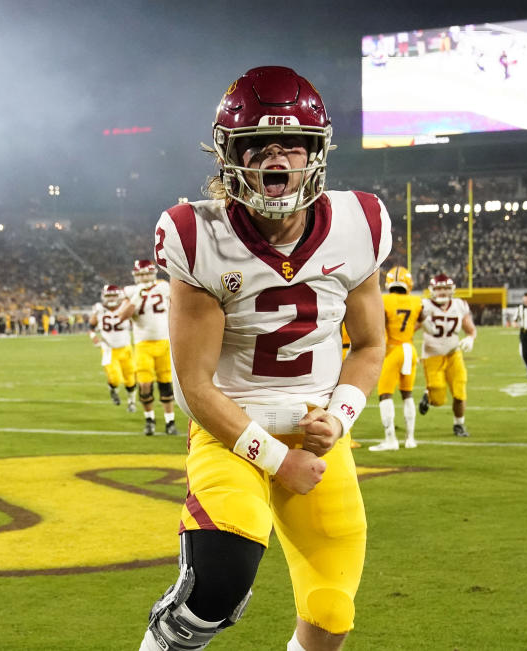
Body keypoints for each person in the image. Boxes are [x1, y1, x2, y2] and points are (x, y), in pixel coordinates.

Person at [136, 66, 390, 651]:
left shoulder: (360, 224)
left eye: (292, 145)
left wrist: (340, 418)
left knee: (331, 611)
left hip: (318, 437)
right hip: (232, 432)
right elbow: (196, 386)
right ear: (231, 155)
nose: (275, 160)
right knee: (219, 581)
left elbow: (370, 344)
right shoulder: (197, 234)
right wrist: (278, 460)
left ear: (315, 152)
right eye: (256, 145)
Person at [117, 259, 177, 435]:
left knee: (166, 384)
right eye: (140, 274)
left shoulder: (164, 286)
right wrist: (138, 296)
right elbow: (122, 316)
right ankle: (149, 419)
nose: (144, 277)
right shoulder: (130, 291)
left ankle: (170, 421)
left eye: (146, 273)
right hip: (143, 344)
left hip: (164, 341)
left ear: (153, 273)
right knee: (144, 384)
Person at [369, 265, 421, 451]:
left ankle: (390, 440)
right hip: (410, 349)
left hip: (393, 350)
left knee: (385, 395)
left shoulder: (384, 300)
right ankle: (410, 439)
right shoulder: (417, 301)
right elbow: (421, 320)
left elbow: (379, 328)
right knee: (407, 394)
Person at [417, 273, 476, 437]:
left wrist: (471, 338)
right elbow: (410, 328)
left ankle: (459, 424)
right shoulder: (425, 306)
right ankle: (428, 395)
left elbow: (470, 329)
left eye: (445, 288)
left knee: (460, 391)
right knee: (438, 400)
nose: (442, 292)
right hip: (432, 355)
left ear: (451, 290)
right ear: (432, 290)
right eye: (439, 289)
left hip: (453, 354)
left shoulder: (459, 305)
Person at [89, 284, 137, 412]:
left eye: (113, 295)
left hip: (126, 347)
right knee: (115, 378)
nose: (111, 299)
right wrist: (93, 336)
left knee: (130, 378)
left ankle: (131, 402)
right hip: (109, 349)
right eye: (108, 296)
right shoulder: (99, 309)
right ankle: (113, 389)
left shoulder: (125, 306)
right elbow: (91, 326)